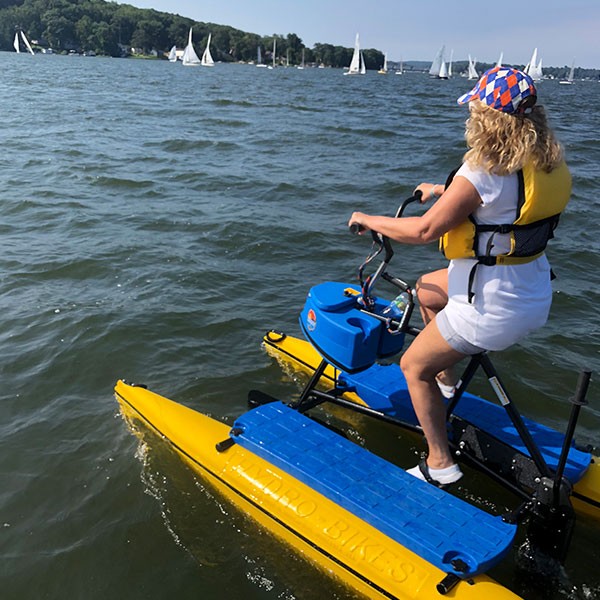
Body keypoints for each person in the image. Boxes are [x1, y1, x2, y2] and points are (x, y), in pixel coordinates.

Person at [348, 67, 571, 486]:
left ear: (486, 117)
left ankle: (439, 464)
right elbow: (501, 204)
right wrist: (440, 188)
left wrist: (366, 219)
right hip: (532, 292)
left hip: (490, 307)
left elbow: (423, 230)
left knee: (412, 366)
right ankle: (446, 385)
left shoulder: (483, 172)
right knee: (426, 290)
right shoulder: (545, 161)